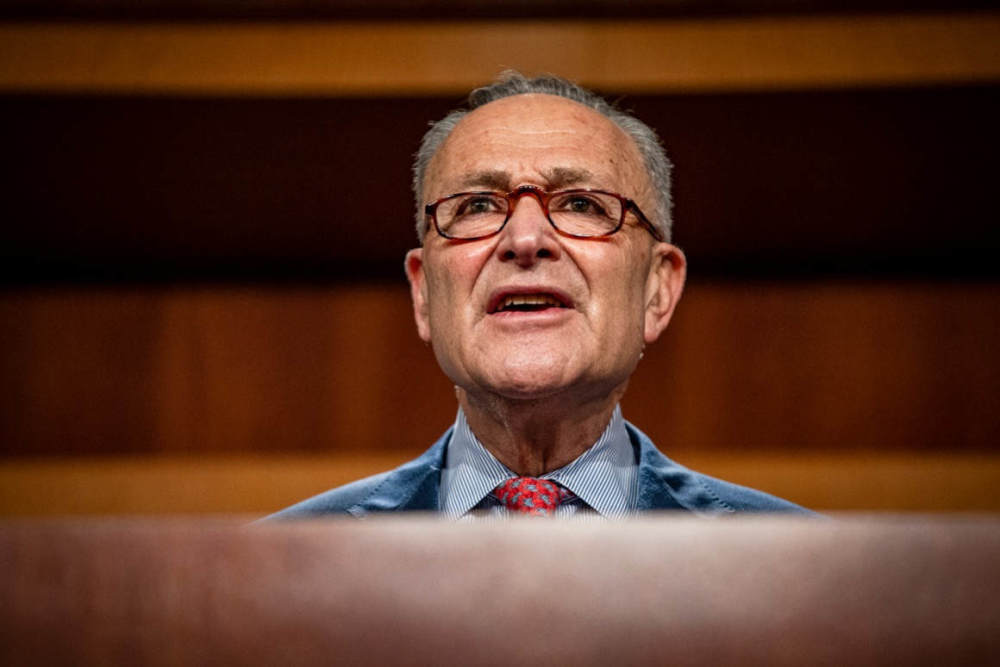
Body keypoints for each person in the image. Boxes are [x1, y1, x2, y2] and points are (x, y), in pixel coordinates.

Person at [272, 72, 808, 519]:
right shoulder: (277, 563)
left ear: (657, 289)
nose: (525, 240)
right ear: (423, 292)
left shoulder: (801, 567)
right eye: (477, 206)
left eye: (582, 204)